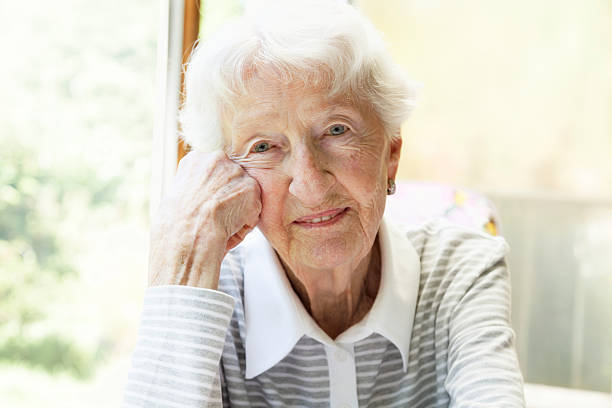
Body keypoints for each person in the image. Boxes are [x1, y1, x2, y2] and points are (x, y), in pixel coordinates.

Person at [122, 1, 525, 407]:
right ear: (225, 176)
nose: (311, 186)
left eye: (336, 129)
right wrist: (182, 248)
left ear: (391, 153)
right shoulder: (206, 292)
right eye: (263, 146)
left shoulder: (459, 271)